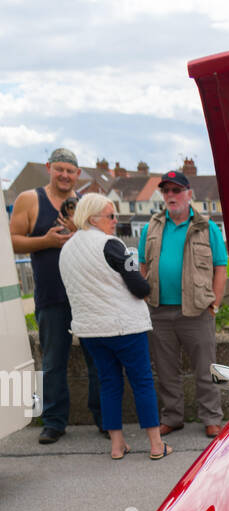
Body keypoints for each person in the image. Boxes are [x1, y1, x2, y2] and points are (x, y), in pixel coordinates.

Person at [58, 194, 172, 460]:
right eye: (110, 216)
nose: (115, 220)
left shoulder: (66, 249)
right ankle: (156, 445)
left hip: (90, 330)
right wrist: (146, 286)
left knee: (108, 384)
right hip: (124, 327)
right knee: (142, 382)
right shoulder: (113, 245)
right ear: (92, 218)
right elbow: (139, 286)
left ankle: (117, 445)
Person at [9, 147, 104, 444]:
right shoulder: (29, 199)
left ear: (78, 174)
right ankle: (53, 422)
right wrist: (47, 240)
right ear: (49, 168)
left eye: (70, 170)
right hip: (52, 296)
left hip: (88, 295)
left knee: (98, 360)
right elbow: (12, 241)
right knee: (52, 362)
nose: (64, 175)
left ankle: (104, 418)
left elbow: (104, 238)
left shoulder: (87, 203)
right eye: (59, 169)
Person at [138, 171, 227, 438]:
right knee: (166, 371)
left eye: (177, 190)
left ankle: (212, 418)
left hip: (198, 310)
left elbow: (220, 267)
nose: (171, 196)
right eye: (166, 191)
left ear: (189, 194)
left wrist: (216, 304)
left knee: (206, 369)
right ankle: (172, 417)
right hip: (159, 311)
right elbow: (142, 265)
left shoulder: (207, 226)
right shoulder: (150, 227)